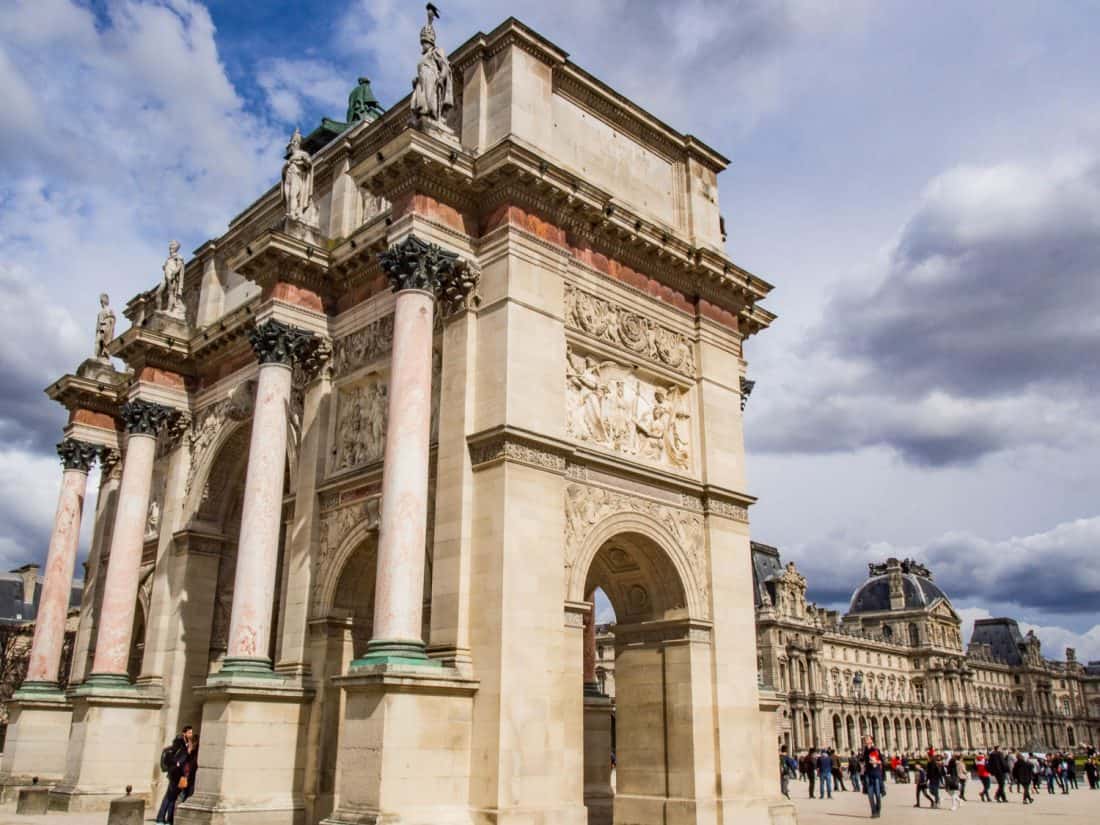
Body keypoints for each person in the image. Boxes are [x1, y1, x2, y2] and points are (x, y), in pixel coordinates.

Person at [156, 734, 189, 825]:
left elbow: (170, 762)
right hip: (177, 777)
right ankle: (167, 819)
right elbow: (179, 762)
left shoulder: (170, 750)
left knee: (169, 797)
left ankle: (162, 818)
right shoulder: (181, 751)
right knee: (171, 798)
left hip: (172, 775)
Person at [861, 735, 885, 818]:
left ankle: (878, 810)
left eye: (868, 739)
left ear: (871, 740)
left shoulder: (876, 749)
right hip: (868, 774)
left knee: (877, 794)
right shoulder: (864, 751)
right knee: (870, 795)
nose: (866, 740)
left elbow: (882, 761)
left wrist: (876, 762)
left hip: (876, 773)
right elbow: (862, 761)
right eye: (865, 739)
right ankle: (873, 812)